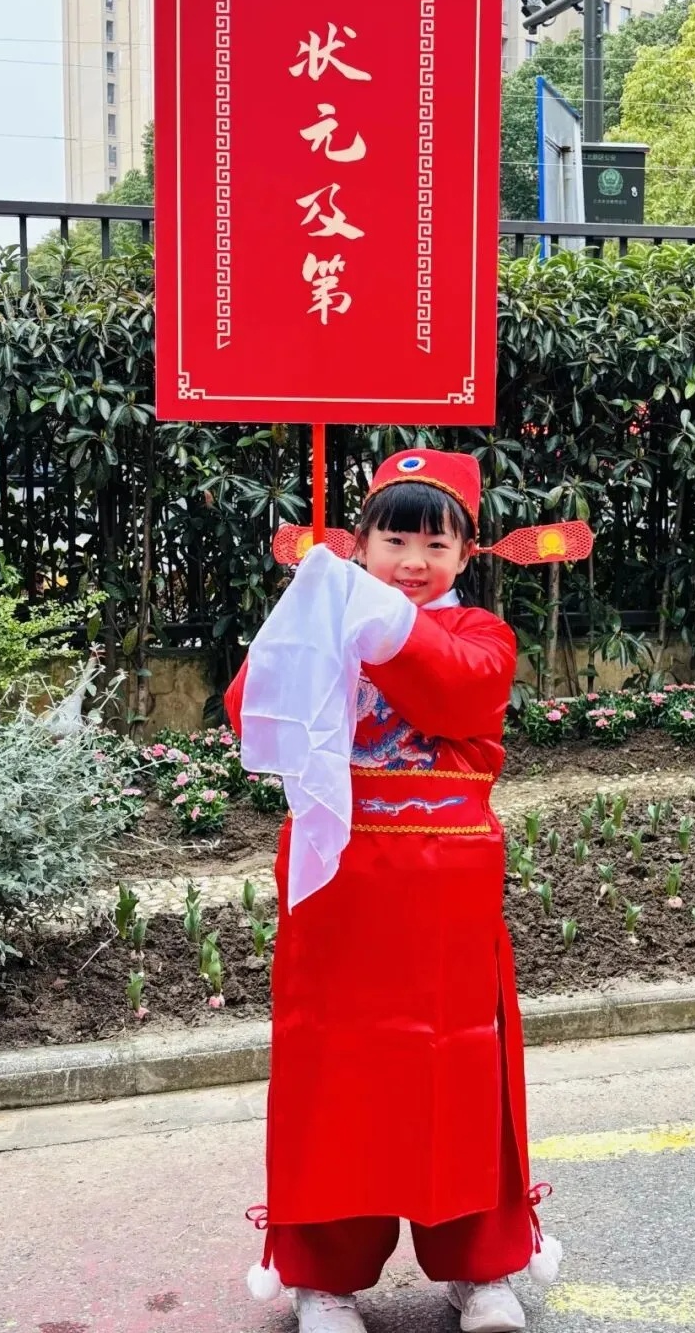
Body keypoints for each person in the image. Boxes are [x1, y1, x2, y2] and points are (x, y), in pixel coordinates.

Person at [224, 450, 564, 1333]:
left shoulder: (482, 634)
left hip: (449, 888)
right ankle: (323, 1280)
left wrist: (368, 618)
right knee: (334, 1076)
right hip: (338, 883)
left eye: (435, 543)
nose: (413, 560)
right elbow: (251, 709)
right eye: (394, 539)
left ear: (466, 553)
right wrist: (306, 620)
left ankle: (480, 1269)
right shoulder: (325, 616)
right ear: (359, 543)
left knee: (463, 1070)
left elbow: (459, 693)